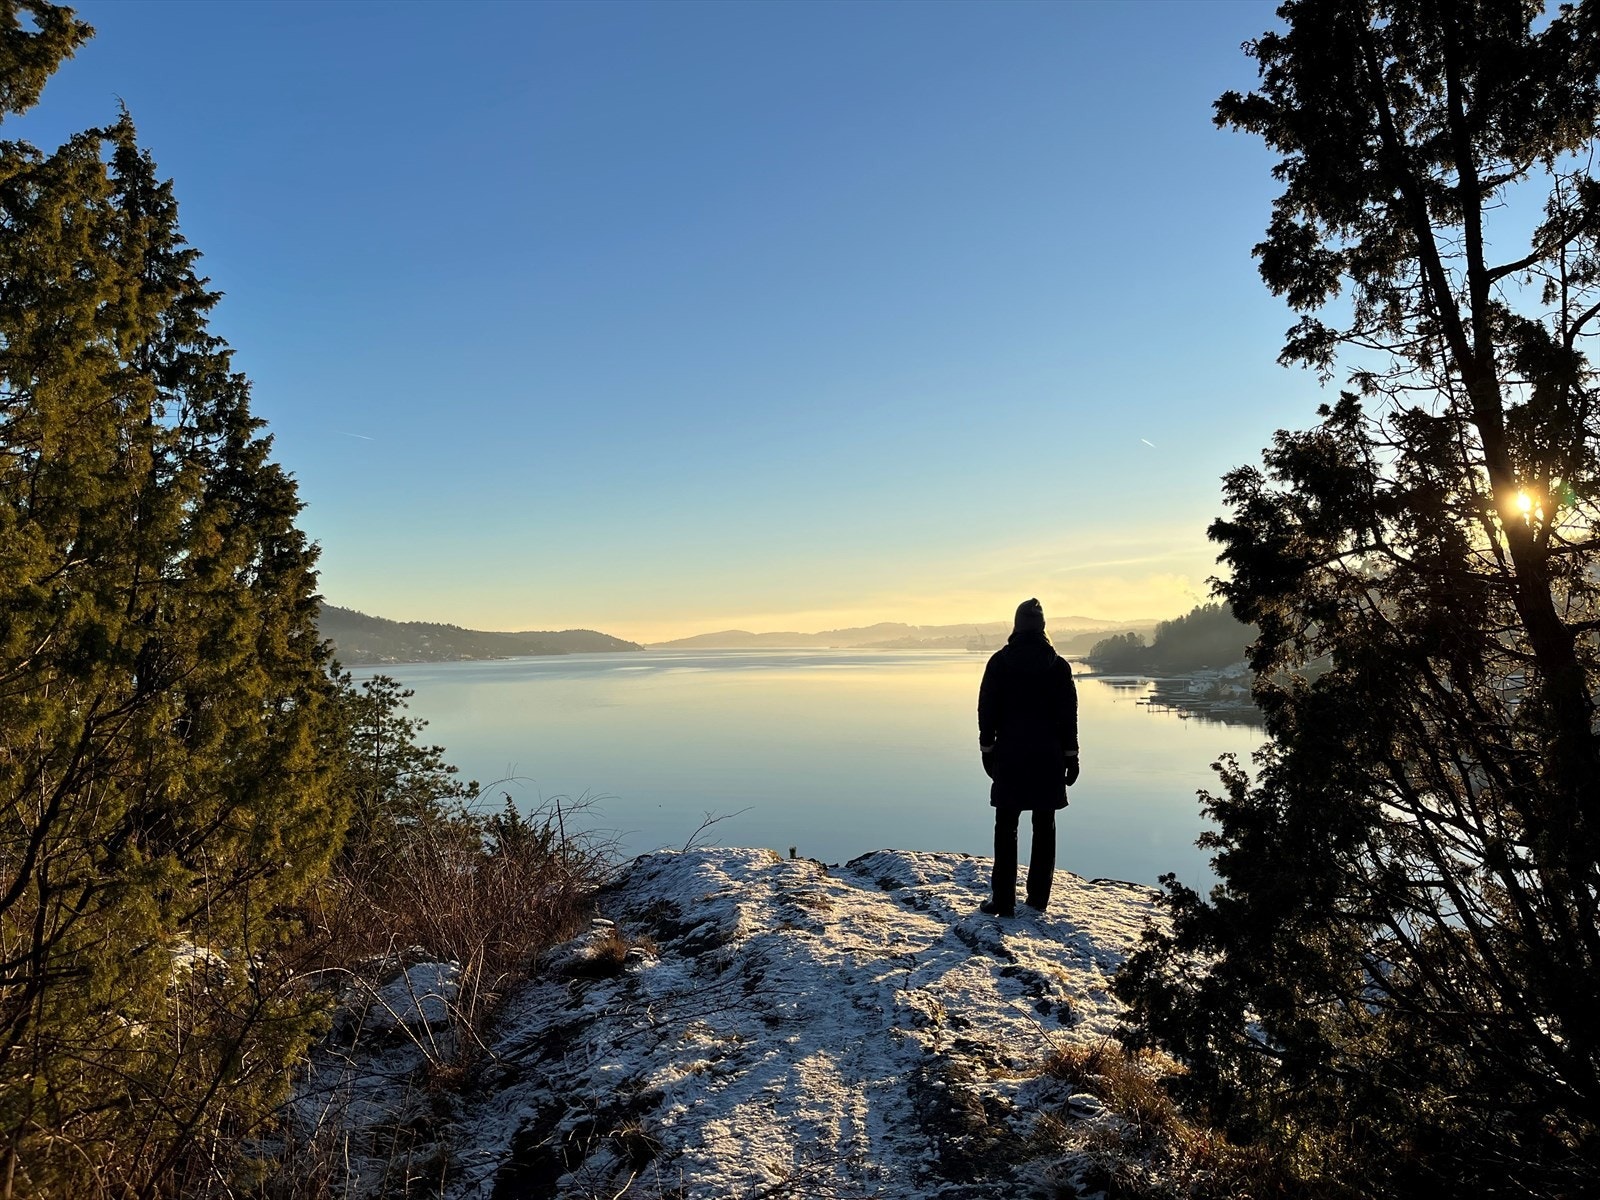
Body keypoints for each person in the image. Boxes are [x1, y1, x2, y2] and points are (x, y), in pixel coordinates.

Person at [976, 598, 1079, 917]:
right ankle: (1038, 899)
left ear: (1017, 626)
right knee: (1044, 824)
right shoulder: (1059, 666)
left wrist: (987, 748)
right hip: (1048, 755)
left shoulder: (999, 663)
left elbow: (987, 710)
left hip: (1010, 753)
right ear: (1043, 628)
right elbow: (1068, 715)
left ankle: (1003, 900)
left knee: (1006, 824)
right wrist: (1071, 755)